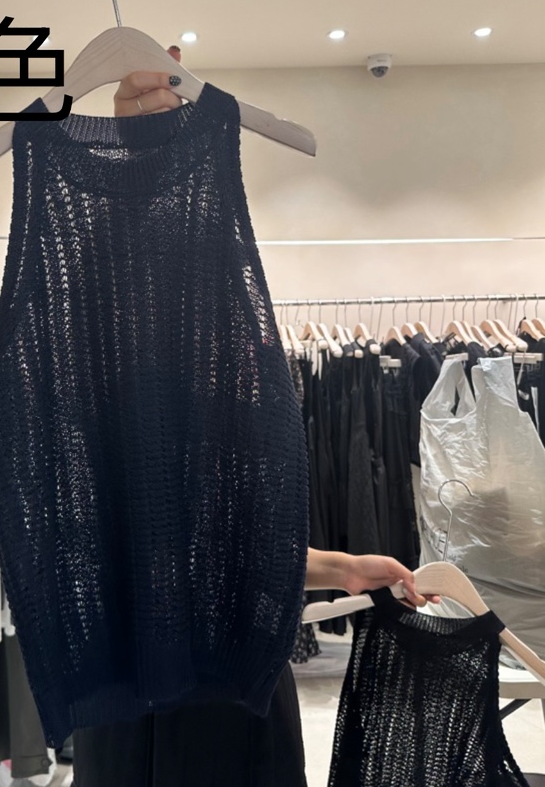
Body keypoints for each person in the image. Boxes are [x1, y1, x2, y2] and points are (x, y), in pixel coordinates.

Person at [69, 59, 439, 787]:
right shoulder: (101, 418)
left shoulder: (232, 422)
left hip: (237, 697)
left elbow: (230, 559)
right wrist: (133, 172)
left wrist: (341, 568)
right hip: (130, 703)